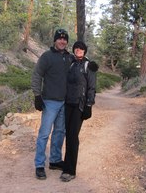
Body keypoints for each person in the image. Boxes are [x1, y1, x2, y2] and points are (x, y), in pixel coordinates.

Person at [31, 28, 73, 180]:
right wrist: (37, 95)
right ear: (55, 40)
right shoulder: (46, 57)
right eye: (59, 39)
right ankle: (39, 165)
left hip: (64, 102)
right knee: (44, 134)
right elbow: (37, 75)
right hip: (49, 102)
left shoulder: (69, 58)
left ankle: (55, 160)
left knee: (59, 133)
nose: (62, 41)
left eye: (64, 39)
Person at [60, 40, 98, 182]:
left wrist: (89, 105)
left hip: (79, 105)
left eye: (81, 49)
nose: (78, 51)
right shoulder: (70, 63)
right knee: (68, 135)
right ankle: (66, 165)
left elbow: (92, 87)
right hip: (67, 104)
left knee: (72, 136)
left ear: (85, 51)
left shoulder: (88, 66)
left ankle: (70, 170)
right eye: (76, 48)